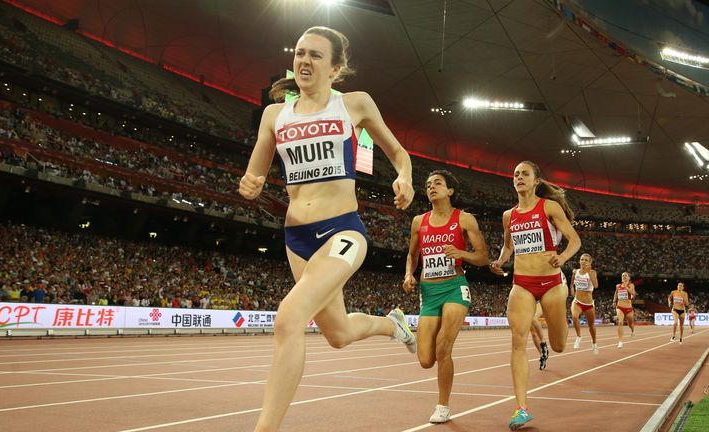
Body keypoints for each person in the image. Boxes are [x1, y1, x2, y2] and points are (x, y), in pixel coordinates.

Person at [238, 26, 416, 432]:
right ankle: (393, 324)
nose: (304, 60)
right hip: (297, 238)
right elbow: (255, 175)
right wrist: (251, 184)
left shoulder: (354, 104)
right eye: (300, 53)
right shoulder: (274, 115)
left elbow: (399, 153)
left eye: (316, 55)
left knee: (289, 316)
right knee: (337, 334)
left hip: (343, 232)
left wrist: (403, 178)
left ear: (336, 69)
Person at [490, 161, 581, 430]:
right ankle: (521, 408)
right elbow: (509, 247)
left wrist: (562, 257)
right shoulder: (509, 215)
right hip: (522, 284)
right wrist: (499, 262)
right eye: (515, 174)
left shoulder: (548, 207)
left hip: (552, 283)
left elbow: (574, 240)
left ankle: (560, 317)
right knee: (518, 341)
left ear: (536, 181)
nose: (518, 177)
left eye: (524, 174)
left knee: (559, 345)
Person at [403, 170, 489, 423]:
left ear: (450, 190)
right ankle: (404, 333)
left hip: (455, 288)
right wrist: (409, 274)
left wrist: (461, 253)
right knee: (426, 360)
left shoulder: (464, 219)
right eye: (428, 184)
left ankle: (443, 406)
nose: (431, 187)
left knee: (444, 347)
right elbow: (412, 255)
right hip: (428, 292)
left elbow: (483, 256)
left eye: (437, 183)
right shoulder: (419, 221)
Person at [569, 253, 599, 353]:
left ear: (590, 262)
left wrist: (590, 274)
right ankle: (578, 337)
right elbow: (572, 283)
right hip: (577, 301)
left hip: (589, 304)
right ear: (579, 261)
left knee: (591, 326)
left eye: (586, 260)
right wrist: (572, 289)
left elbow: (595, 286)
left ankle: (594, 343)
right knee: (574, 316)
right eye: (582, 259)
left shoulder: (592, 272)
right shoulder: (575, 272)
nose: (584, 261)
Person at [613, 272, 636, 348]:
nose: (623, 277)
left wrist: (626, 287)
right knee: (620, 322)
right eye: (622, 275)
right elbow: (616, 293)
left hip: (629, 308)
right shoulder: (618, 286)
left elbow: (633, 293)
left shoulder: (631, 285)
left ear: (629, 278)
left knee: (630, 324)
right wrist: (614, 301)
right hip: (620, 307)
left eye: (625, 275)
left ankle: (632, 330)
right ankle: (620, 341)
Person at [529, 302, 550, 370]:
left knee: (533, 318)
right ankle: (542, 355)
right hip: (527, 303)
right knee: (534, 334)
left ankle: (543, 343)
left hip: (540, 300)